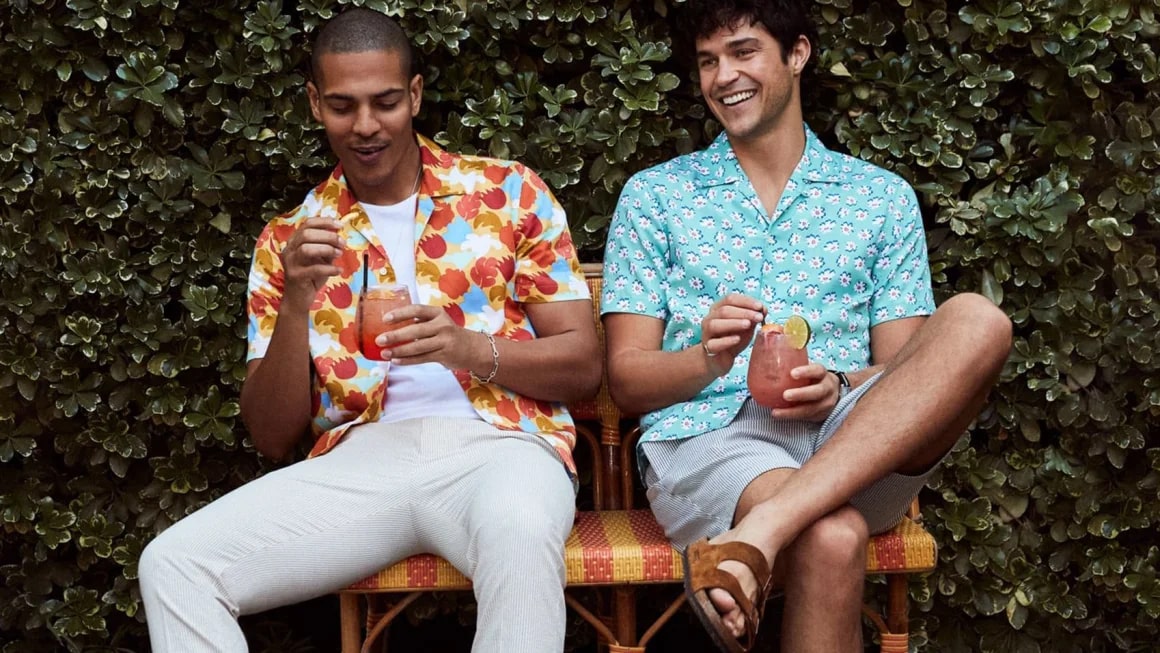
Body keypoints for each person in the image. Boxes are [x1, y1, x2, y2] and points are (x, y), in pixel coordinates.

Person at [137, 8, 600, 653]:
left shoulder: (508, 193)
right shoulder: (290, 239)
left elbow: (584, 365)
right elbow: (273, 436)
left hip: (502, 447)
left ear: (413, 94)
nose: (365, 126)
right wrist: (295, 302)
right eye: (342, 105)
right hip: (363, 464)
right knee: (175, 565)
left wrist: (467, 348)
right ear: (313, 103)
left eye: (385, 102)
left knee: (518, 526)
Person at [601, 1, 1012, 651]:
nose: (722, 75)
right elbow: (626, 381)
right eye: (708, 61)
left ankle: (759, 536)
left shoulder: (879, 198)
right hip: (714, 439)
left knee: (978, 319)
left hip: (855, 431)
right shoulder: (656, 197)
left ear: (798, 53)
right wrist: (707, 359)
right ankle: (768, 526)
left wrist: (840, 379)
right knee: (834, 533)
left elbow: (904, 370)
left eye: (743, 51)